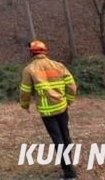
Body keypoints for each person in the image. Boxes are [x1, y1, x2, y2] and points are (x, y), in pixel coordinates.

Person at [20, 40, 77, 179]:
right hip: (62, 108)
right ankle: (69, 165)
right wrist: (68, 100)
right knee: (65, 136)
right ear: (45, 51)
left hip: (47, 112)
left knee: (58, 140)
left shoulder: (29, 69)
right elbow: (71, 85)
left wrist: (25, 104)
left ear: (31, 53)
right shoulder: (58, 65)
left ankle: (69, 173)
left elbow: (25, 91)